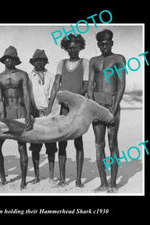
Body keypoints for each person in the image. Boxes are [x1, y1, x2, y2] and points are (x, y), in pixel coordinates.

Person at [47, 34, 89, 187]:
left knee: (78, 142)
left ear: (80, 46)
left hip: (77, 108)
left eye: (75, 46)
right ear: (66, 48)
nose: (72, 49)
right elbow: (56, 83)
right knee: (62, 142)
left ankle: (78, 179)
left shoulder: (85, 62)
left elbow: (86, 85)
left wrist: (73, 98)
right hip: (63, 108)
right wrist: (51, 104)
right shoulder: (61, 63)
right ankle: (63, 179)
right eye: (69, 47)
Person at [87, 29, 126, 193]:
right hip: (97, 105)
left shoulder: (118, 59)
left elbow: (121, 84)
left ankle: (113, 184)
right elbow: (90, 85)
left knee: (112, 143)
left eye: (107, 42)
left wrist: (115, 107)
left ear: (112, 42)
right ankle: (103, 183)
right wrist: (92, 106)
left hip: (112, 104)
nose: (104, 46)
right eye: (101, 43)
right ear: (98, 44)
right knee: (98, 144)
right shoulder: (93, 61)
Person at [0, 46, 33, 189]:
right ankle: (3, 178)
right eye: (6, 58)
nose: (9, 60)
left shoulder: (22, 75)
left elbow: (27, 95)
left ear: (16, 60)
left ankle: (23, 181)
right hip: (6, 113)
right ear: (4, 60)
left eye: (12, 58)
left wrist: (28, 115)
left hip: (20, 112)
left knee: (21, 146)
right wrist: (2, 117)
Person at [27, 49, 57, 183]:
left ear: (45, 62)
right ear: (33, 62)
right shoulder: (28, 76)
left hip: (49, 114)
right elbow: (28, 95)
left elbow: (54, 94)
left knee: (51, 147)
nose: (39, 63)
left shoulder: (51, 76)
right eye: (36, 61)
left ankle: (51, 176)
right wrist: (33, 110)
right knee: (35, 147)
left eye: (42, 60)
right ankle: (36, 176)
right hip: (34, 114)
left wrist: (49, 109)